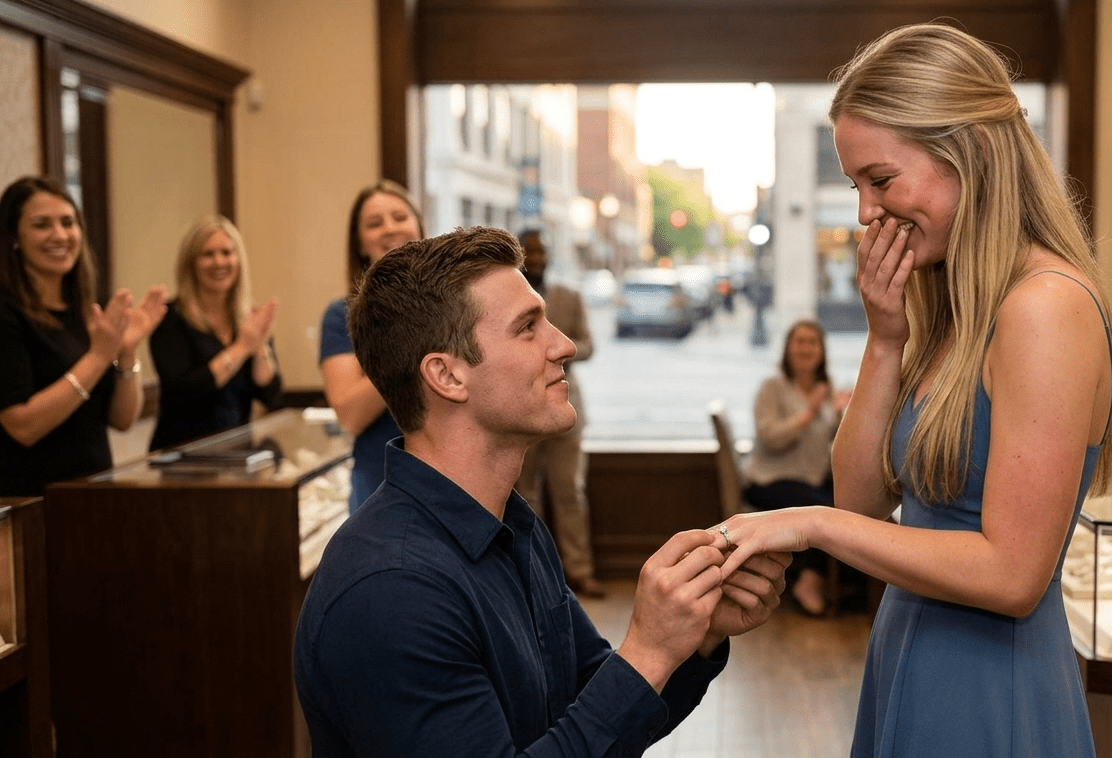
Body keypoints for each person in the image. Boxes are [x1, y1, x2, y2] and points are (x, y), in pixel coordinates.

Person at [714, 23, 1109, 756]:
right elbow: (860, 501)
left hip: (992, 680)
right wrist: (885, 338)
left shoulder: (1045, 306)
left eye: (880, 180)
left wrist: (807, 526)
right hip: (911, 653)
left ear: (976, 153)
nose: (866, 212)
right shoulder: (953, 304)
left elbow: (1013, 574)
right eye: (856, 184)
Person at [293, 226, 789, 757]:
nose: (566, 345)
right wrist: (647, 651)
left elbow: (590, 706)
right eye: (528, 327)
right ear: (447, 376)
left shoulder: (512, 525)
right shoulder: (391, 590)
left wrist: (694, 637)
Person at [0, 175, 167, 496]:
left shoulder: (86, 313)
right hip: (29, 503)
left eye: (68, 222)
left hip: (90, 497)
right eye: (41, 225)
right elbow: (22, 426)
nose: (59, 235)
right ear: (14, 237)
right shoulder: (6, 315)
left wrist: (126, 353)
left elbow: (121, 420)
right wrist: (99, 356)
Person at [320, 180, 423, 513]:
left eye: (399, 217)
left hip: (460, 478)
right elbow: (350, 415)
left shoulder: (460, 304)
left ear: (419, 227)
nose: (390, 229)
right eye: (375, 223)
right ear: (360, 244)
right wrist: (407, 339)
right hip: (381, 486)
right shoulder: (343, 316)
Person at [516, 229, 605, 598]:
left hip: (566, 406)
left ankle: (579, 571)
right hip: (519, 410)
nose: (536, 258)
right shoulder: (505, 301)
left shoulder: (569, 297)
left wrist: (556, 352)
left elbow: (588, 344)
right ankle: (530, 575)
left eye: (541, 251)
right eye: (529, 252)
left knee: (570, 491)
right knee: (525, 496)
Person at [742, 318, 851, 616]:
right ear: (788, 348)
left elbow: (830, 440)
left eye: (812, 342)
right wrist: (810, 410)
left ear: (822, 351)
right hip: (770, 481)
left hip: (811, 479)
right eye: (799, 341)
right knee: (828, 514)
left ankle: (840, 583)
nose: (805, 348)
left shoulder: (824, 390)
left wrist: (845, 415)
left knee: (854, 507)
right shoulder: (773, 387)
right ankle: (809, 580)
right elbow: (772, 439)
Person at [148, 214, 281, 451]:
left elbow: (270, 394)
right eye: (208, 254)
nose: (219, 262)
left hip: (238, 458)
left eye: (227, 253)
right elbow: (184, 393)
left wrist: (258, 345)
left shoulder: (248, 319)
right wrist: (241, 349)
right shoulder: (169, 320)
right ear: (190, 263)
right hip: (181, 460)